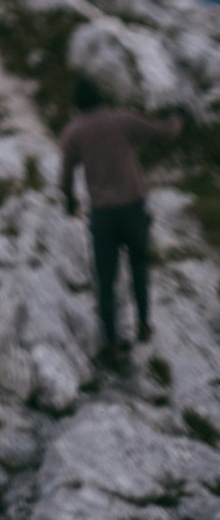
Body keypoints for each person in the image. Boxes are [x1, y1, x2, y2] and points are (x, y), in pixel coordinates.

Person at [60, 74, 182, 363]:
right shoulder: (122, 120)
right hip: (134, 208)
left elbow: (65, 178)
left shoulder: (74, 132)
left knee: (106, 280)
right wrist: (178, 117)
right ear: (100, 97)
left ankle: (112, 342)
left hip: (103, 215)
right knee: (139, 266)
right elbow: (163, 132)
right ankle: (143, 325)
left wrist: (69, 201)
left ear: (77, 104)